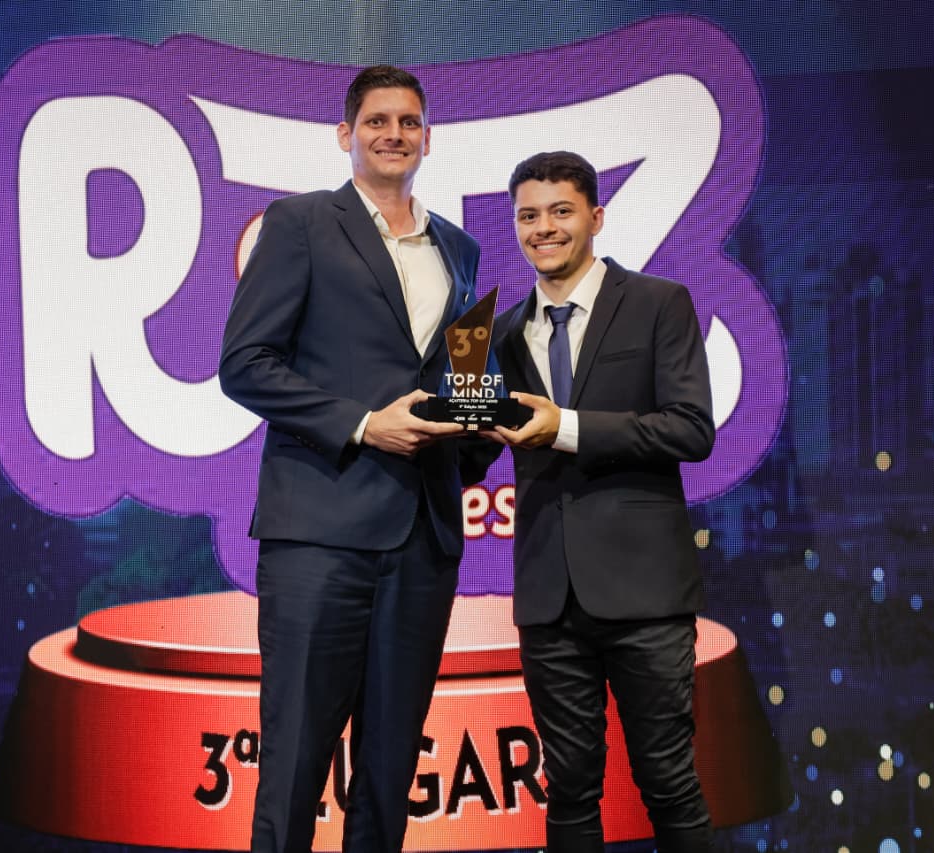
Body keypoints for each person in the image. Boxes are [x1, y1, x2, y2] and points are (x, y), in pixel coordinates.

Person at [218, 65, 487, 853]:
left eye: (408, 122)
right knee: (295, 764)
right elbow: (245, 364)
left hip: (424, 540)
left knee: (388, 772)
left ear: (428, 138)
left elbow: (458, 375)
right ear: (346, 134)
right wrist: (365, 425)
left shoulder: (459, 248)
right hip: (321, 535)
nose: (393, 134)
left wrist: (483, 430)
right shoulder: (300, 223)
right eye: (377, 121)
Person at [489, 151, 716, 852]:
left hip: (644, 592)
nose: (544, 228)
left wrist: (567, 426)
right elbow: (476, 455)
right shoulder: (497, 333)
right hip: (548, 596)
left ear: (596, 216)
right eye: (528, 215)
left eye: (561, 211)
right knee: (568, 788)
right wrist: (451, 419)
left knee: (668, 781)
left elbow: (690, 428)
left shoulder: (657, 303)